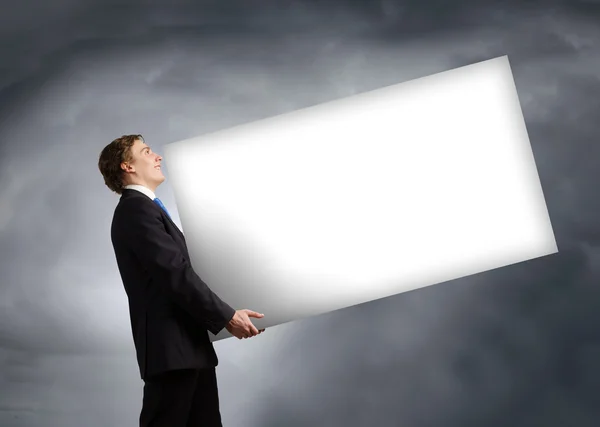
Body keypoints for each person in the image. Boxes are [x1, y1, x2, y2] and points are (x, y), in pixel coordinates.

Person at [98, 134, 264, 427]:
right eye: (146, 151)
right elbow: (174, 273)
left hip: (188, 348)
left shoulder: (146, 209)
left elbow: (181, 271)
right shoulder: (136, 209)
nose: (157, 156)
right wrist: (226, 316)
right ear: (127, 166)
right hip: (171, 350)